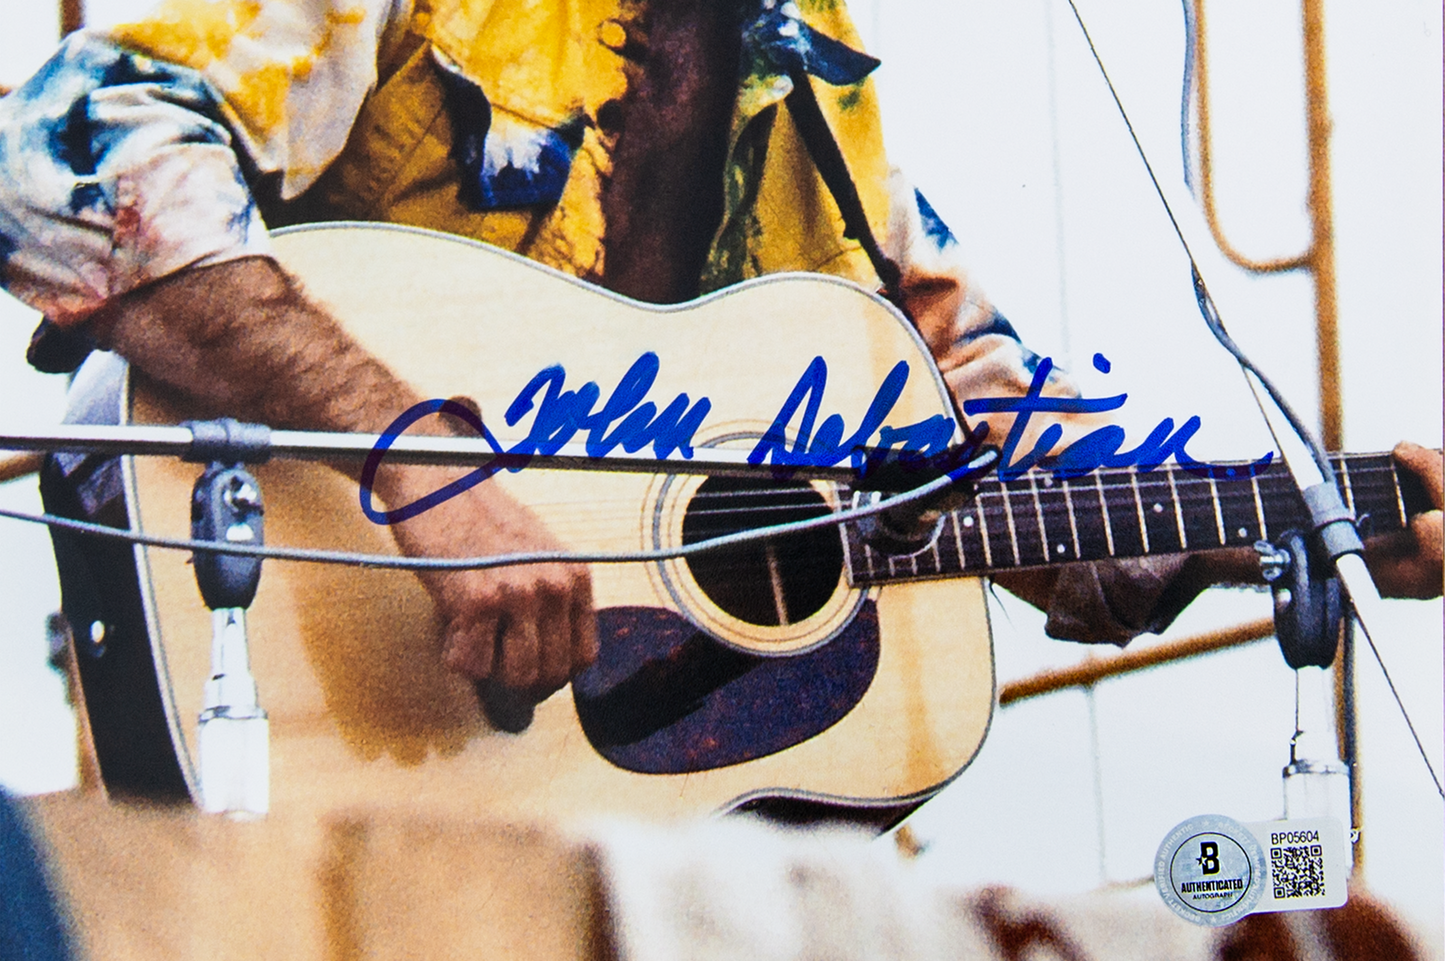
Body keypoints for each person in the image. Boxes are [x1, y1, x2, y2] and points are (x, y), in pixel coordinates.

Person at [0, 0, 1437, 715]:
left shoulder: (799, 60)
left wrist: (1313, 513)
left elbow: (972, 422)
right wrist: (428, 466)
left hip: (659, 787)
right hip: (302, 684)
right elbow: (68, 156)